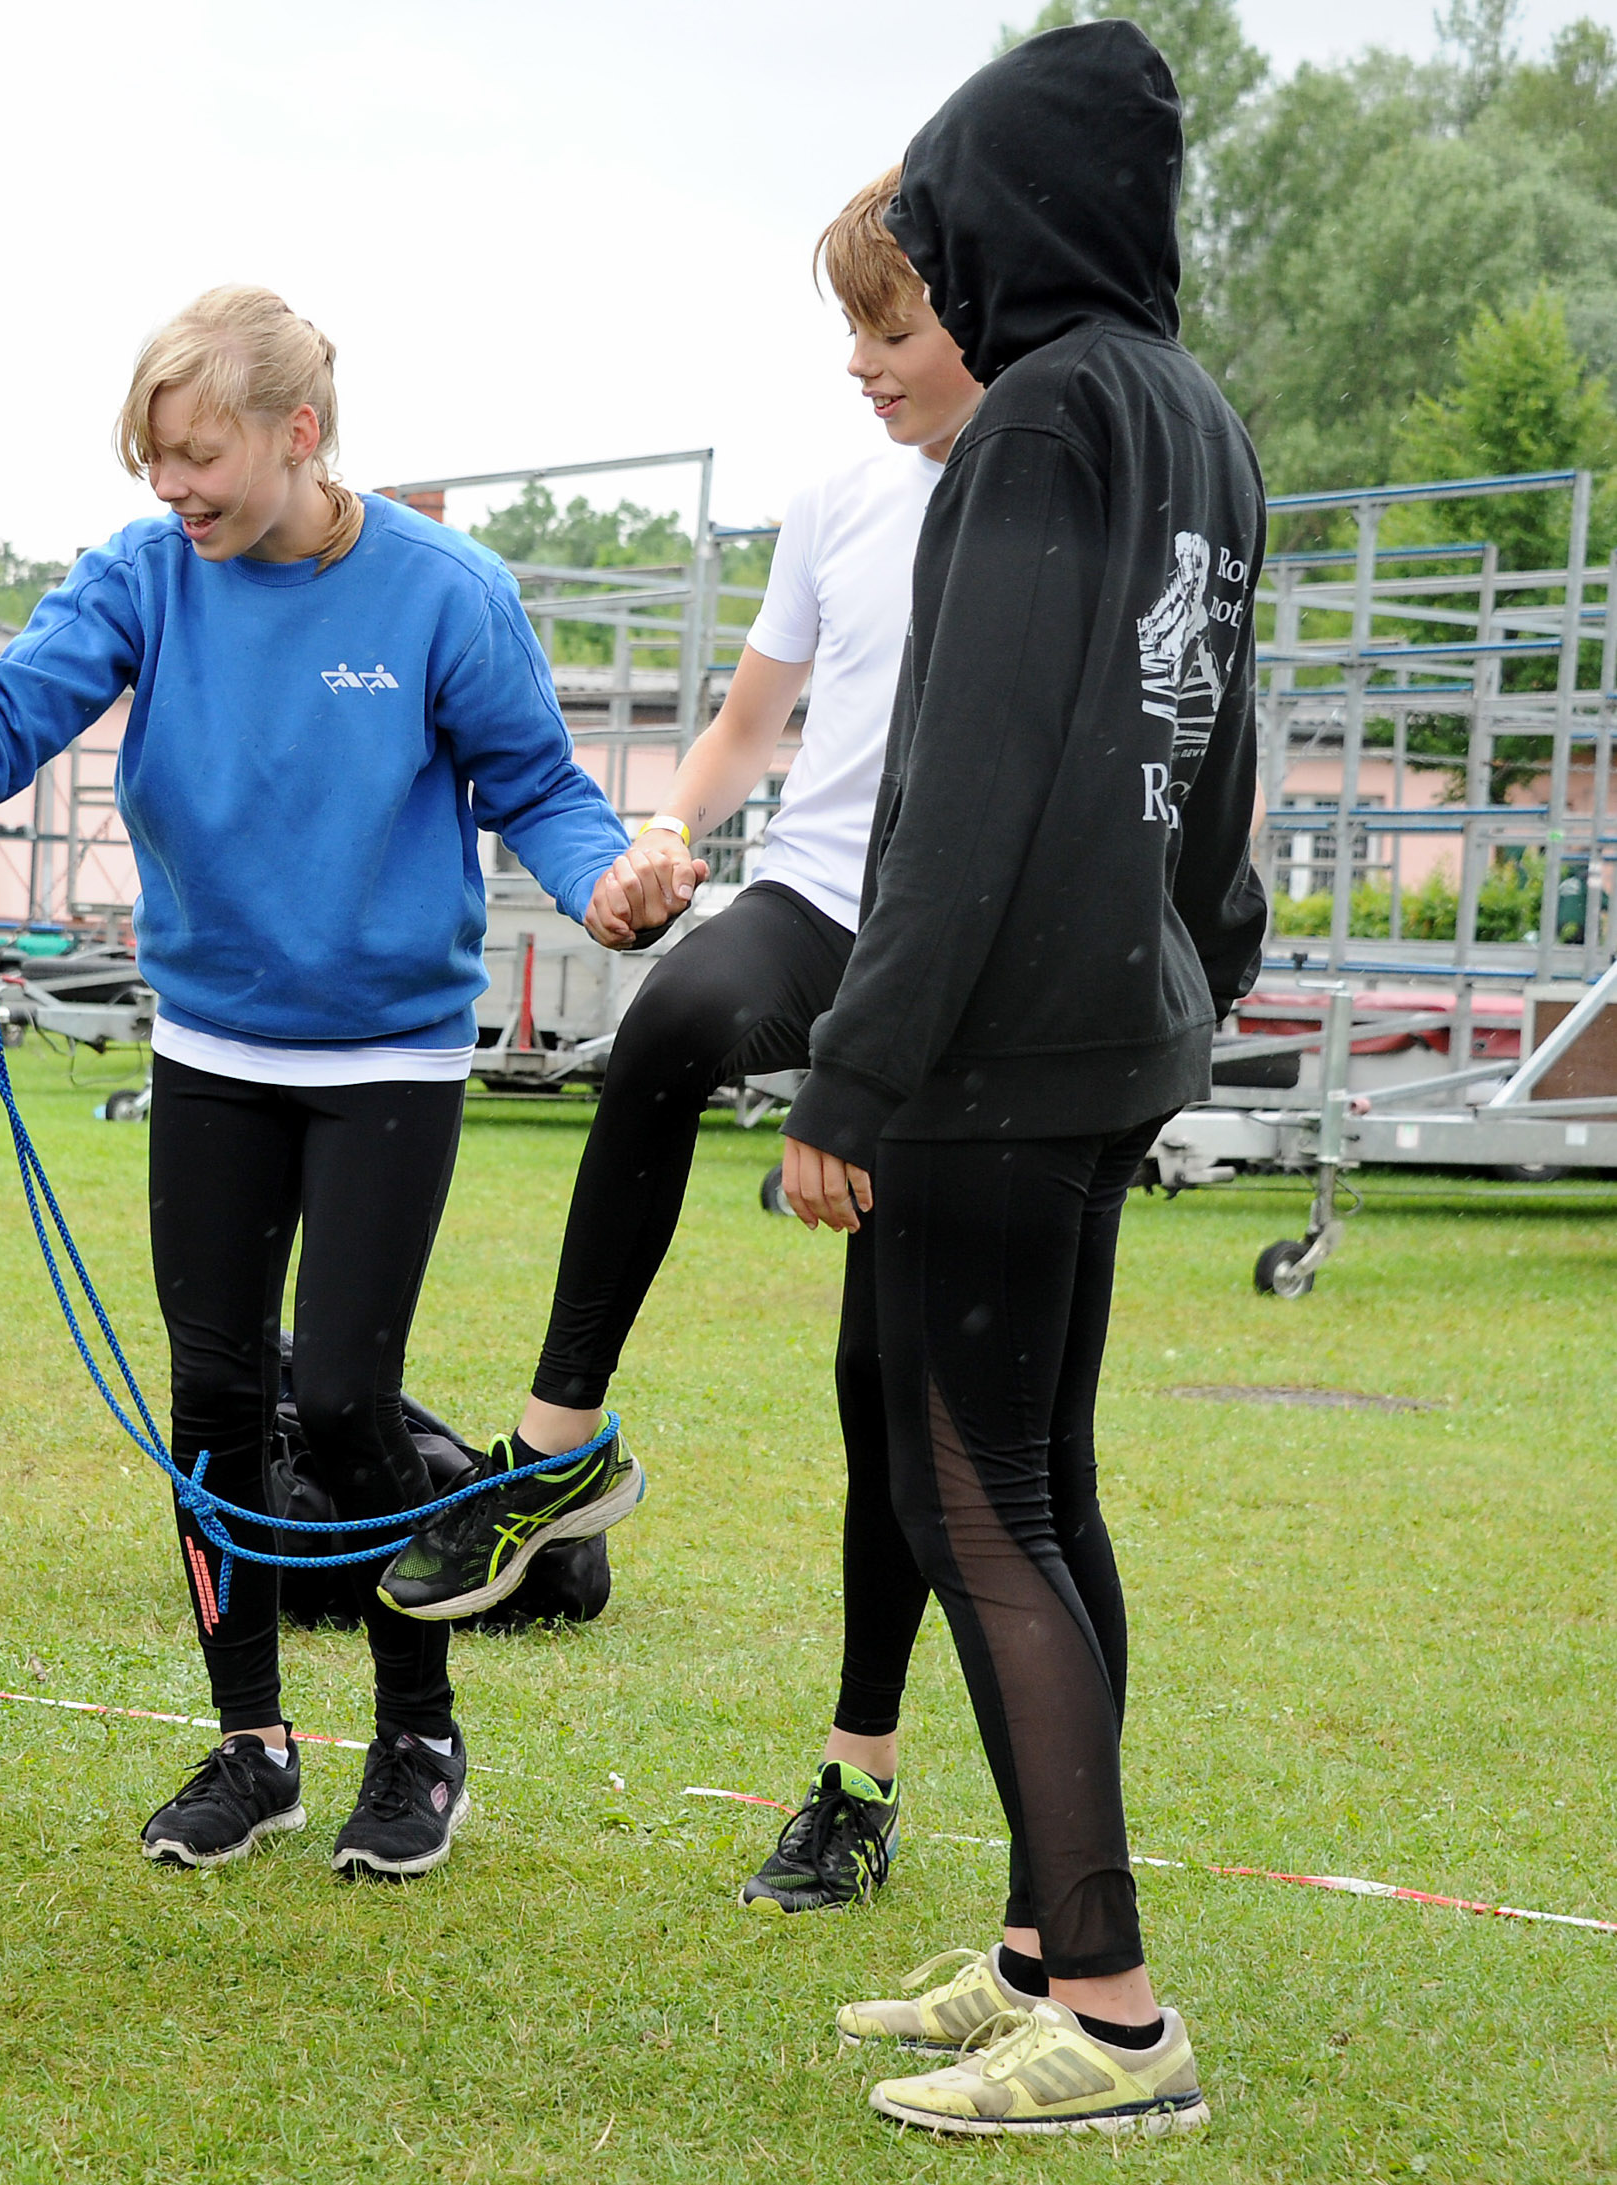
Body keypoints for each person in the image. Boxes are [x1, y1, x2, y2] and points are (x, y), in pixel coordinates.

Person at [0, 286, 677, 1878]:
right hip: (209, 1051)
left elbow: (544, 788)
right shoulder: (146, 575)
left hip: (388, 1060)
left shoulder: (444, 593)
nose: (175, 491)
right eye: (156, 461)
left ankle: (418, 1732)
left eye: (200, 457)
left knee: (347, 1399)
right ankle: (253, 1743)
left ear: (300, 435)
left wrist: (608, 879)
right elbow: (7, 723)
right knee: (216, 1401)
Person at [375, 171, 985, 1921]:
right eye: (851, 331)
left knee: (889, 1390)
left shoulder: (1038, 496)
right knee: (672, 1028)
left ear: (981, 311)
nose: (863, 365)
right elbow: (746, 722)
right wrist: (665, 832)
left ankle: (857, 1779)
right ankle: (558, 1446)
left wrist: (872, 1071)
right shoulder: (841, 496)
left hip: (957, 954)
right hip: (818, 898)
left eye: (893, 328)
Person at [780, 24, 1266, 2136]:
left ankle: (1118, 2017)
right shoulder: (1194, 418)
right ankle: (1030, 1951)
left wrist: (850, 1072)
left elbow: (955, 787)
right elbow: (1213, 760)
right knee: (1035, 1498)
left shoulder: (1038, 421)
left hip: (992, 1052)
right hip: (1102, 1028)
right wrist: (1183, 984)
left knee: (973, 1504)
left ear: (1004, 217)